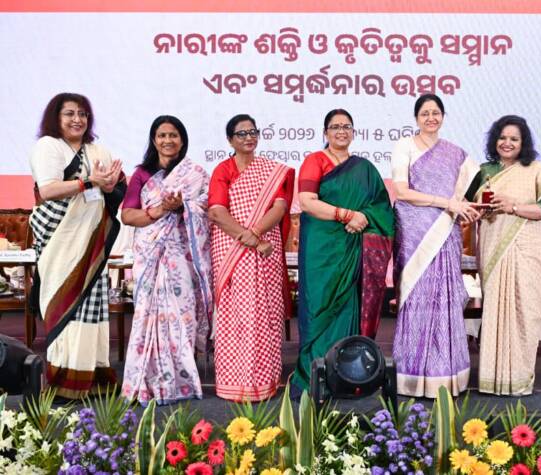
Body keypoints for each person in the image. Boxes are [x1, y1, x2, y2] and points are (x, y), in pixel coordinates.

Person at [28, 92, 125, 399]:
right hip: (60, 238)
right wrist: (89, 182)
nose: (77, 119)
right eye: (69, 113)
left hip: (90, 239)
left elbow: (113, 188)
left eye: (82, 114)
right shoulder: (48, 146)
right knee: (64, 302)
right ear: (56, 117)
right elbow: (48, 190)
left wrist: (112, 185)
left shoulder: (98, 150)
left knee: (92, 308)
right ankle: (64, 380)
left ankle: (93, 377)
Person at [466, 115, 541, 396]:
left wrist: (513, 206)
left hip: (528, 249)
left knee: (526, 310)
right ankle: (493, 379)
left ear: (523, 143)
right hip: (493, 246)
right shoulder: (484, 171)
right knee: (495, 310)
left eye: (514, 139)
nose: (507, 143)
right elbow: (468, 206)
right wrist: (481, 211)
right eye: (502, 138)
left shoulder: (536, 170)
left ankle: (520, 379)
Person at [292, 109, 394, 393]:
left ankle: (348, 377)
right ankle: (314, 377)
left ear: (353, 132)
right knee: (318, 308)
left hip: (353, 249)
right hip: (321, 250)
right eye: (335, 127)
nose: (341, 131)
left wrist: (364, 217)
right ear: (325, 132)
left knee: (349, 307)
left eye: (346, 126)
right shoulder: (315, 161)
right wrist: (347, 215)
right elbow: (307, 202)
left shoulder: (365, 169)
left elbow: (381, 207)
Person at [120, 115, 213, 406]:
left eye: (173, 135)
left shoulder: (195, 173)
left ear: (182, 140)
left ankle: (181, 381)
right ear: (154, 140)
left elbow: (207, 209)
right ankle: (147, 382)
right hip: (151, 254)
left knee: (184, 315)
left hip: (183, 255)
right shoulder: (142, 174)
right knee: (147, 315)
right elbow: (127, 215)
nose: (167, 140)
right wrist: (160, 209)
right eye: (162, 135)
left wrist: (184, 206)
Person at [392, 94, 479, 397]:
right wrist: (446, 203)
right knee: (416, 298)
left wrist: (470, 207)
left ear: (443, 116)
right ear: (416, 118)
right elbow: (402, 192)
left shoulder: (456, 154)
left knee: (444, 299)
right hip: (415, 234)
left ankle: (446, 375)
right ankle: (411, 376)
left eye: (436, 112)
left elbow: (473, 191)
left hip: (446, 233)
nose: (431, 118)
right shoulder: (404, 146)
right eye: (425, 113)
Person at [209, 114, 294, 402]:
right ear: (230, 140)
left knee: (264, 314)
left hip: (265, 250)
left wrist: (255, 234)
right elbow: (217, 212)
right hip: (232, 251)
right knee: (236, 316)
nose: (249, 137)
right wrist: (249, 239)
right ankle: (234, 383)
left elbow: (279, 208)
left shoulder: (271, 171)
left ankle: (264, 382)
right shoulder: (223, 170)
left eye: (252, 132)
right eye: (241, 133)